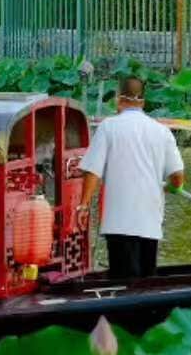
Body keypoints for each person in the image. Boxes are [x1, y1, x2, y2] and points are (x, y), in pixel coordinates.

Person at [76, 75, 184, 279]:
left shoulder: (108, 127)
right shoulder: (162, 131)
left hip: (119, 222)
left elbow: (92, 171)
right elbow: (177, 176)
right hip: (150, 221)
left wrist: (83, 205)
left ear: (118, 98)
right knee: (146, 278)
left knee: (123, 280)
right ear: (143, 101)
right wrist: (171, 187)